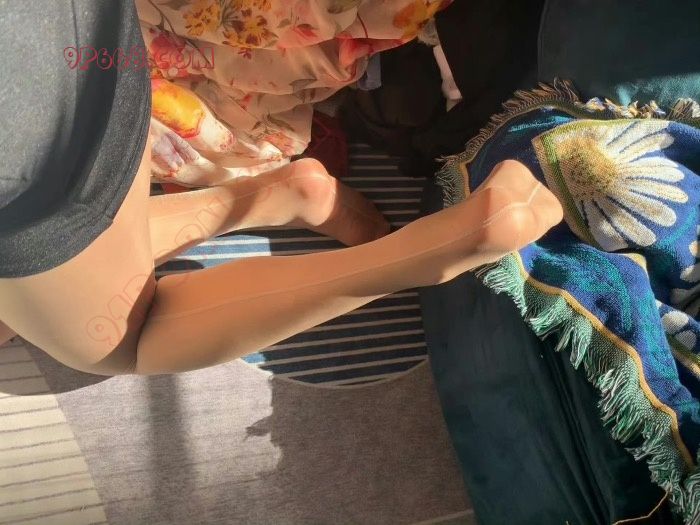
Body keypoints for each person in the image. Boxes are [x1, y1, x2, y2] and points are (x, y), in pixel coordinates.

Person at [0, 0, 563, 376]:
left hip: (29, 141)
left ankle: (422, 255)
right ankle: (273, 196)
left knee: (120, 342)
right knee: (34, 299)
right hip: (74, 40)